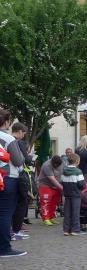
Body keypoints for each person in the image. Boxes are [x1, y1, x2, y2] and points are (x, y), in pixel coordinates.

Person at [0, 110, 27, 257]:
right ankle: (4, 248)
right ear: (6, 122)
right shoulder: (8, 138)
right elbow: (18, 161)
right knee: (4, 214)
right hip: (7, 177)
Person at [61, 153, 85, 236]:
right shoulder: (78, 171)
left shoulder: (64, 171)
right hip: (76, 195)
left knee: (67, 213)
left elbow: (62, 182)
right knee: (75, 212)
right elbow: (81, 184)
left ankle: (66, 230)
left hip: (67, 194)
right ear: (77, 161)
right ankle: (75, 230)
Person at [37, 155, 64, 226]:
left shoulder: (62, 163)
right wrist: (62, 188)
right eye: (55, 165)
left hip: (57, 186)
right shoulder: (47, 165)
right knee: (46, 202)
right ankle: (46, 218)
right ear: (52, 162)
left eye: (57, 165)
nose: (56, 166)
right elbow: (52, 179)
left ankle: (51, 217)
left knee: (54, 202)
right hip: (45, 186)